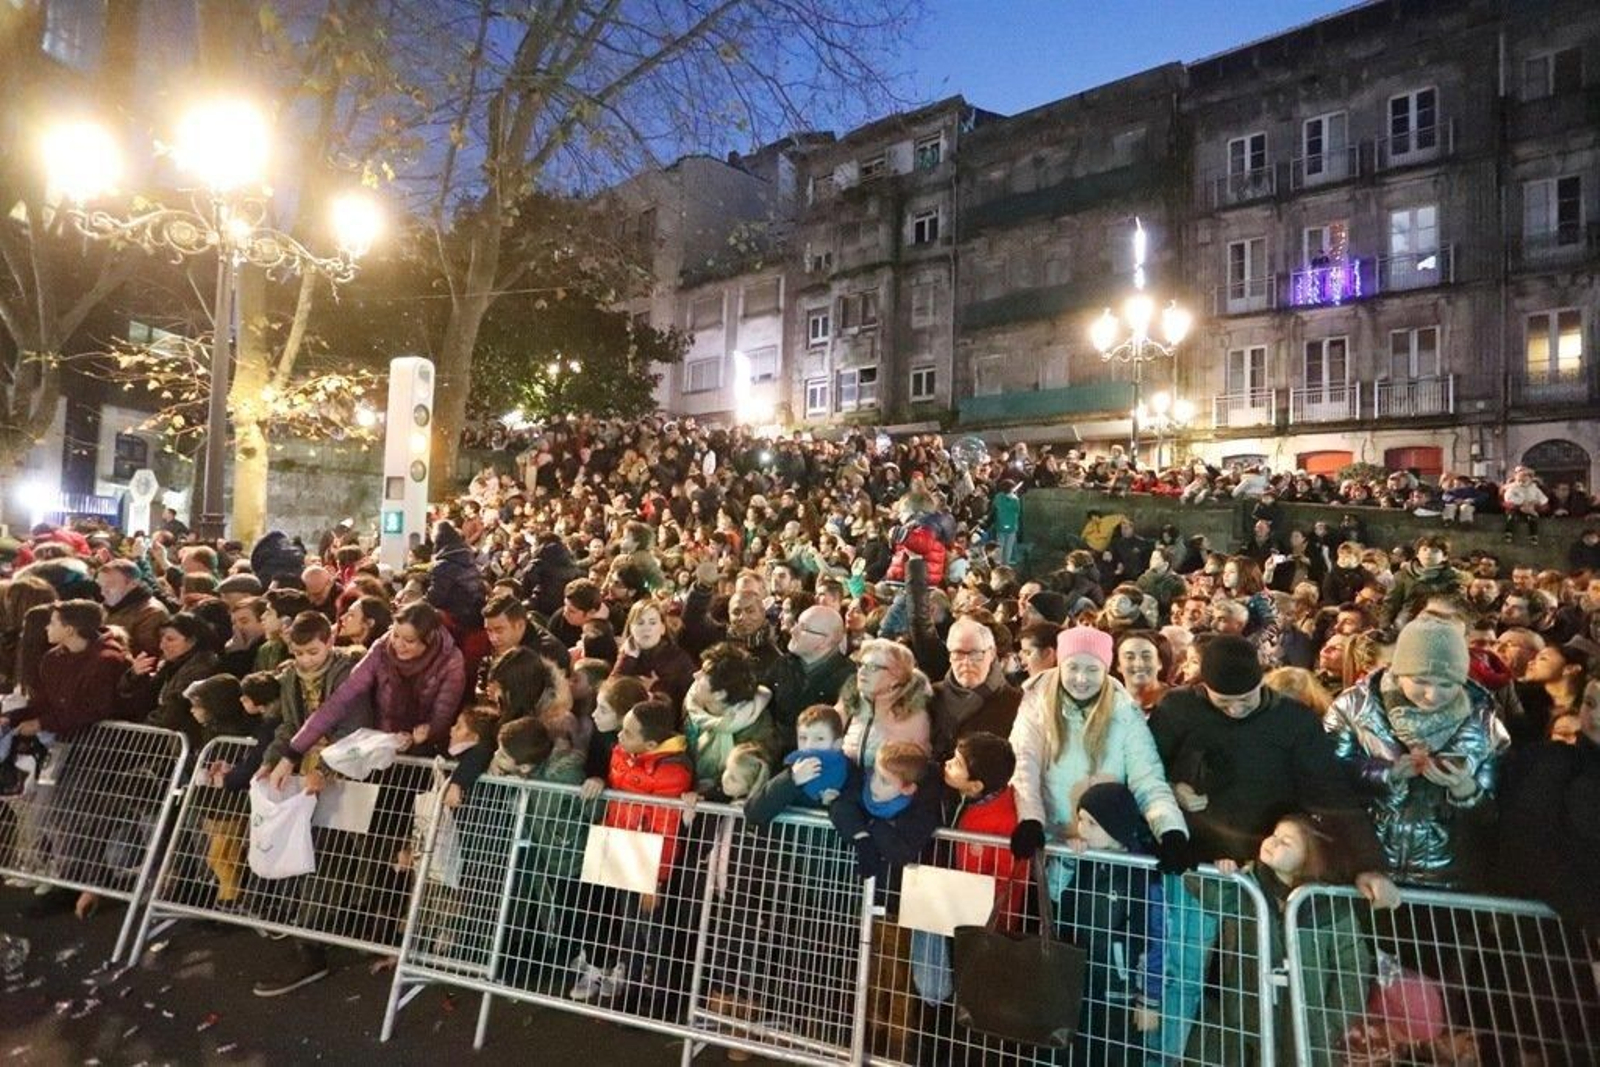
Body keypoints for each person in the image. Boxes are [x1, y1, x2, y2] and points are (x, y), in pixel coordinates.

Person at [1324, 617, 1510, 890]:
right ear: (1398, 672)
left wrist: (1464, 789)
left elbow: (1491, 816)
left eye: (1447, 685)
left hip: (1445, 876)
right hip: (1366, 868)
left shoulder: (1484, 724)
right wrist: (1386, 773)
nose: (1432, 695)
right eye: (1421, 681)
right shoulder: (1353, 707)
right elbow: (1328, 777)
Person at [1007, 626, 1188, 873]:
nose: (1081, 678)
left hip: (1104, 845)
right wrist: (1030, 819)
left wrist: (1170, 831)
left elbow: (1147, 777)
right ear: (1060, 666)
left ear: (1105, 670)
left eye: (1092, 669)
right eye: (1073, 667)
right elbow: (1024, 762)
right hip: (1050, 840)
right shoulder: (1036, 703)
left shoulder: (1124, 712)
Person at [1213, 815, 1374, 1067]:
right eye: (1274, 835)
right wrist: (1225, 878)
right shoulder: (1250, 883)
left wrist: (1331, 1023)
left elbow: (1352, 968)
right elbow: (1215, 900)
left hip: (1309, 1026)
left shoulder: (1329, 905)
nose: (1273, 842)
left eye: (1286, 842)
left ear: (1308, 859)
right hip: (1250, 1017)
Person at [286, 601, 466, 762]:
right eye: (396, 635)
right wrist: (294, 750)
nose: (398, 645)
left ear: (428, 639)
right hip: (381, 742)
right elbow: (343, 696)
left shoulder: (450, 661)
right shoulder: (382, 648)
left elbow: (443, 713)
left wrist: (426, 731)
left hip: (425, 750)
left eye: (409, 640)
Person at [682, 643, 777, 799]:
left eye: (704, 674)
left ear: (720, 694)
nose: (695, 675)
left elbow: (745, 778)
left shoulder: (756, 727)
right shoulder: (691, 705)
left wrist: (708, 795)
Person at [762, 604, 854, 751]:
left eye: (803, 628)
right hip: (771, 749)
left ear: (825, 641)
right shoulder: (783, 664)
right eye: (796, 624)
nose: (793, 630)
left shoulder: (848, 677)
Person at [840, 639, 935, 770]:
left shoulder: (913, 715)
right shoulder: (850, 701)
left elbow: (913, 771)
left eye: (873, 667)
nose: (862, 671)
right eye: (861, 665)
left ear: (896, 677)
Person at [929, 617, 1020, 749]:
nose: (967, 662)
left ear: (992, 654)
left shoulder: (1016, 704)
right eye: (958, 653)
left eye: (976, 654)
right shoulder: (931, 697)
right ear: (950, 657)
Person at [612, 599, 696, 710]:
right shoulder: (625, 656)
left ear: (662, 628)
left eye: (652, 623)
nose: (646, 628)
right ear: (631, 628)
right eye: (640, 623)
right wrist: (627, 658)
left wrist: (654, 689)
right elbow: (610, 693)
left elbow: (691, 700)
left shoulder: (679, 659)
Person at [96, 559, 168, 659]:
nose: (103, 592)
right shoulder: (107, 606)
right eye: (101, 585)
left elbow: (146, 656)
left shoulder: (152, 613)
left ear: (133, 584)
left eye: (110, 585)